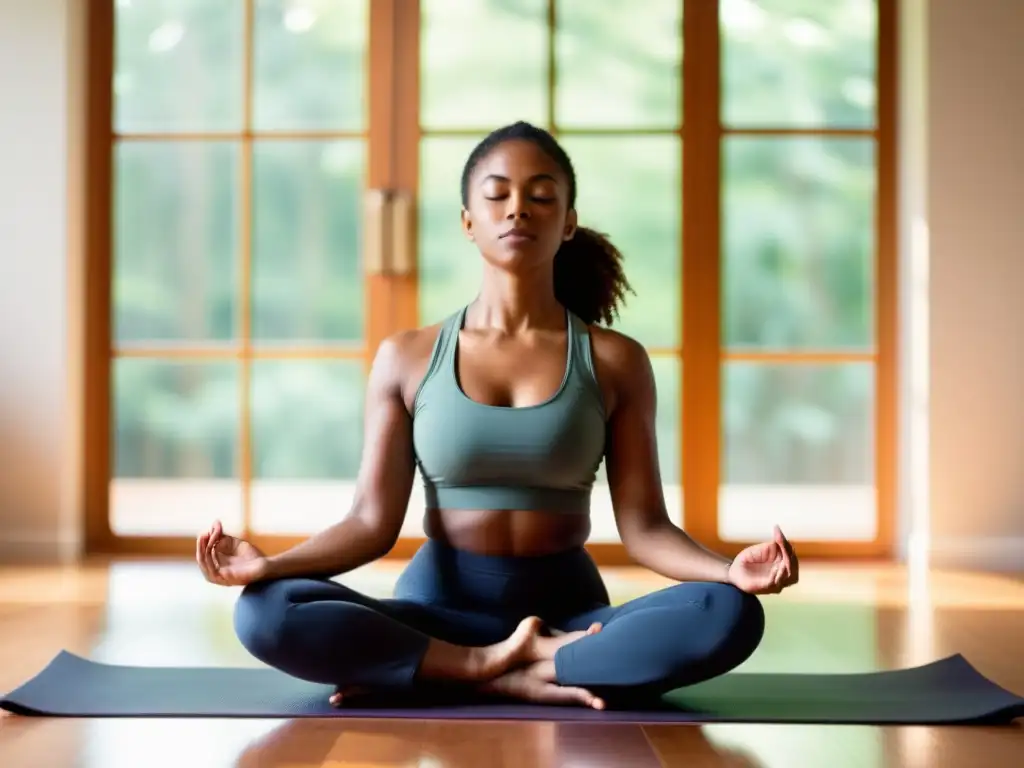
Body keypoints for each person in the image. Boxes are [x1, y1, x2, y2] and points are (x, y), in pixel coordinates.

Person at [195, 121, 799, 711]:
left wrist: (730, 571)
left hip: (571, 618)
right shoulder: (406, 357)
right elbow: (371, 523)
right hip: (437, 612)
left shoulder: (616, 360)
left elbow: (644, 527)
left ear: (568, 223)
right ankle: (491, 670)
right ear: (468, 221)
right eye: (497, 195)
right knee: (264, 609)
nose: (518, 210)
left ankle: (473, 669)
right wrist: (271, 564)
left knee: (730, 613)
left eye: (541, 197)